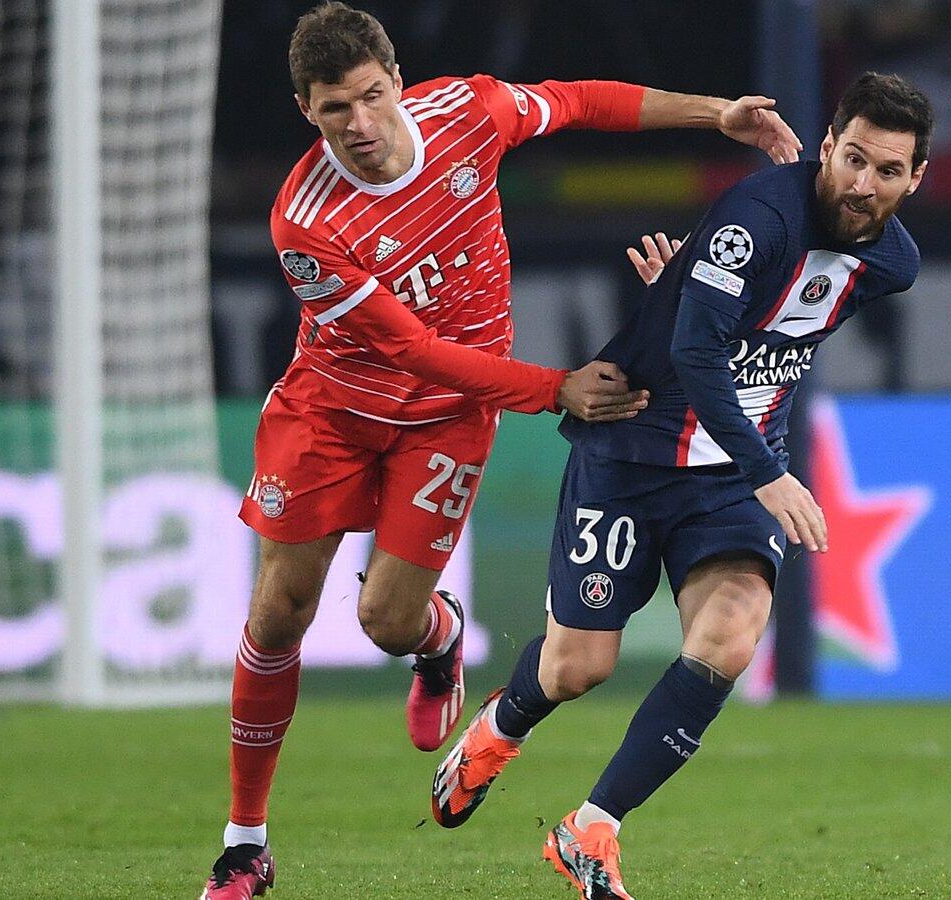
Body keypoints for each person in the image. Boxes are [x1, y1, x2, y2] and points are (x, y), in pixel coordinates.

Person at [204, 3, 803, 897]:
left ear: (396, 81)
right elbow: (408, 348)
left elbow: (581, 101)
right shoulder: (306, 222)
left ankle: (437, 635)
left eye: (371, 97)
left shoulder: (469, 113)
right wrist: (553, 388)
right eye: (335, 110)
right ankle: (246, 844)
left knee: (386, 623)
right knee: (279, 613)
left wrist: (716, 113)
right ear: (306, 110)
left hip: (448, 417)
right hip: (333, 408)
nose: (360, 125)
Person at [430, 72, 933, 899]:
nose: (862, 184)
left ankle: (592, 829)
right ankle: (501, 725)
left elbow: (775, 328)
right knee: (578, 666)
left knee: (731, 634)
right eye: (853, 159)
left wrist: (693, 293)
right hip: (635, 451)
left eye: (887, 171)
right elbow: (697, 354)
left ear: (915, 179)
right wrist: (769, 468)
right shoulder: (757, 217)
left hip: (729, 473)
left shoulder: (893, 263)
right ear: (827, 146)